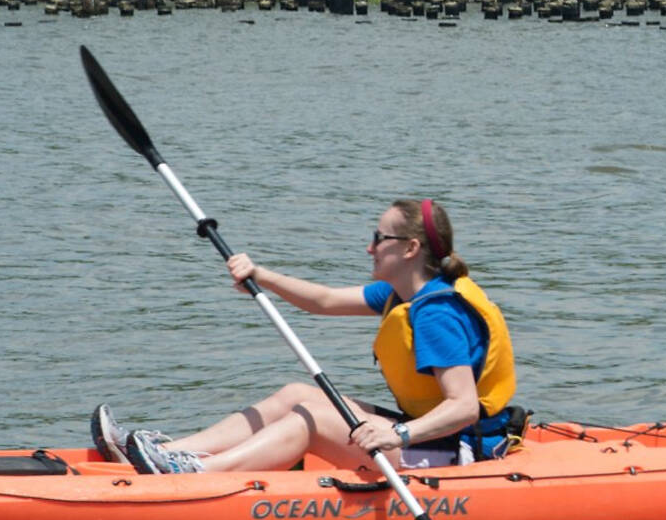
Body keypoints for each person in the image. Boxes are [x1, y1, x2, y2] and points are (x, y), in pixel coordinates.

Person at [92, 198, 517, 475]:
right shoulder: (399, 294)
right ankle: (166, 453)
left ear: (409, 249)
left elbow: (463, 407)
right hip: (427, 435)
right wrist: (260, 275)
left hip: (453, 452)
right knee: (295, 393)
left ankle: (201, 474)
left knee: (309, 421)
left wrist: (396, 435)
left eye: (378, 238)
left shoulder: (436, 314)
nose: (369, 247)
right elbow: (326, 300)